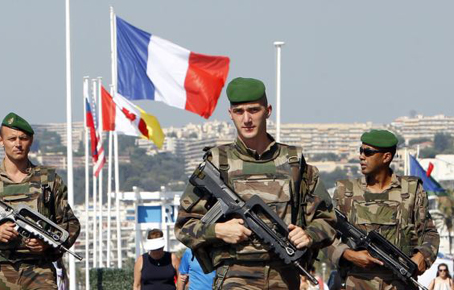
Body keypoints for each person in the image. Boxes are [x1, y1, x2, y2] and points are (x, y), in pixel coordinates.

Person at [175, 77, 336, 290]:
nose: (247, 119)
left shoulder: (293, 162)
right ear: (230, 114)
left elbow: (327, 218)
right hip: (234, 275)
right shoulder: (218, 162)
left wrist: (309, 234)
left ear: (268, 111)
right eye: (239, 111)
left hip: (285, 276)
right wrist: (219, 230)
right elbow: (184, 227)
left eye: (254, 110)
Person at [0, 112, 81, 290]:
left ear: (31, 141)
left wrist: (46, 246)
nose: (18, 144)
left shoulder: (48, 181)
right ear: (1, 141)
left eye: (23, 138)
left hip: (39, 272)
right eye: (12, 138)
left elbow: (71, 224)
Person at [327, 129, 440, 290]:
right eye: (361, 151)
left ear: (386, 157)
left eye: (368, 152)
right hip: (358, 283)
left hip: (400, 282)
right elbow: (325, 236)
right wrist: (349, 255)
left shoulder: (411, 191)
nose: (361, 156)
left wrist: (423, 256)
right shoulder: (345, 192)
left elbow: (430, 233)